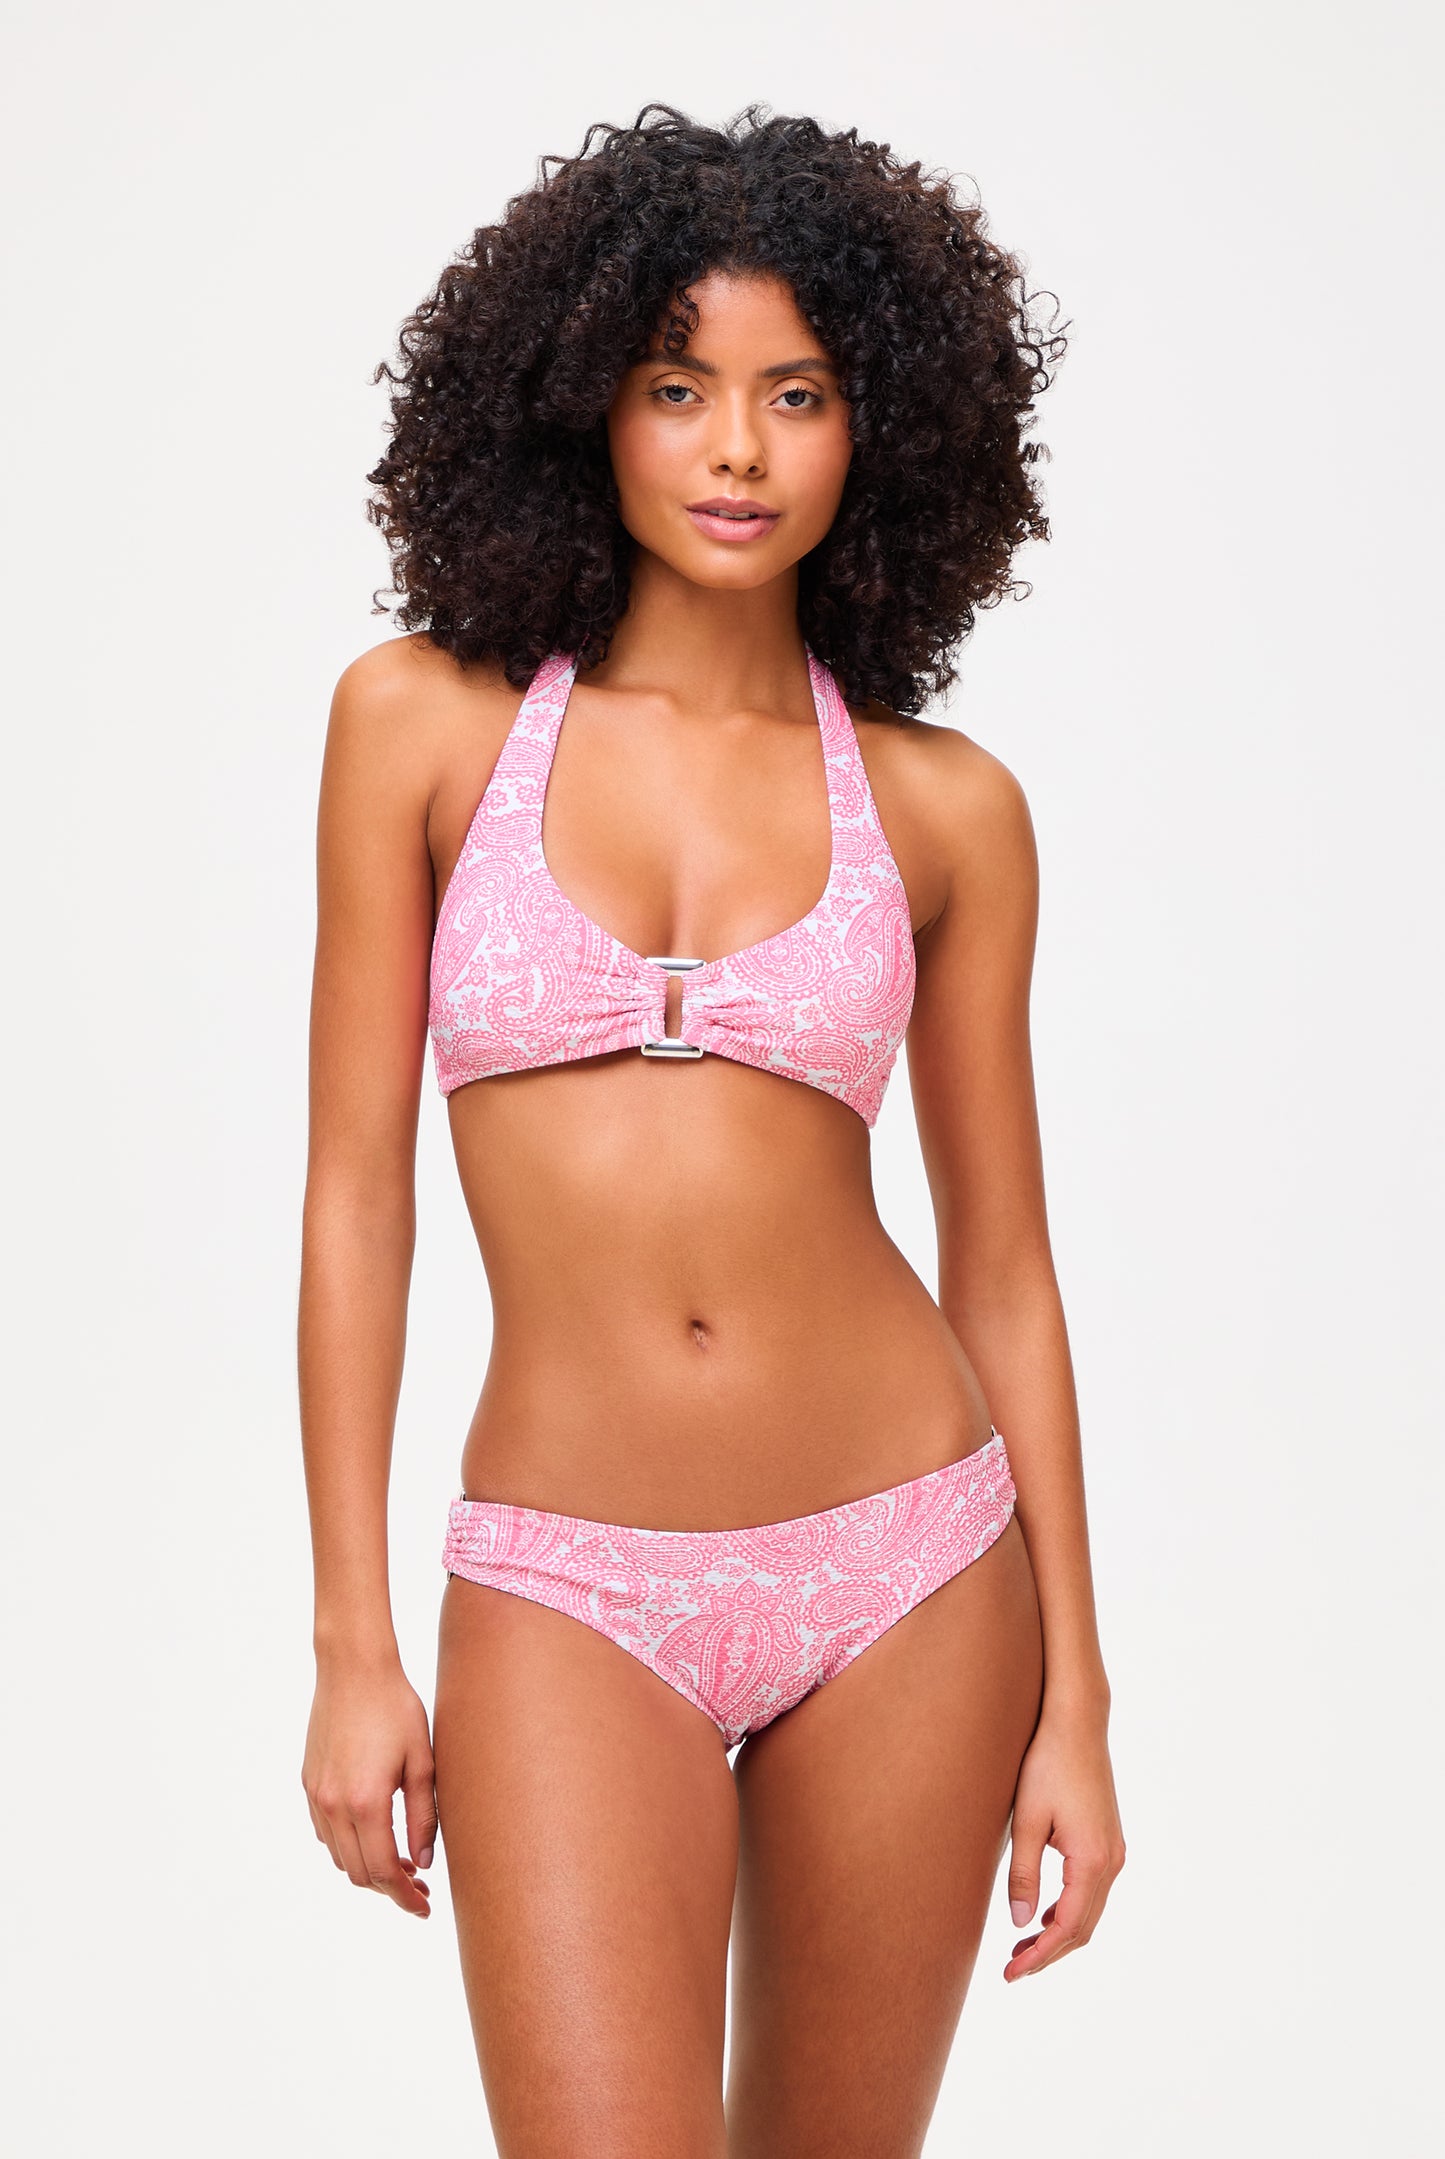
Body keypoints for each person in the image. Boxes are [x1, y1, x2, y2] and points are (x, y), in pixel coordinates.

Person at [298, 102, 1125, 2158]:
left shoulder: (945, 809)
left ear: (881, 432)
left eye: (797, 395)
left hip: (913, 1570)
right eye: (678, 390)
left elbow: (1005, 1267)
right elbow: (353, 1199)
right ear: (582, 402)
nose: (738, 451)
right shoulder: (422, 727)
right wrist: (350, 1641)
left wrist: (1082, 1706)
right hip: (567, 1584)